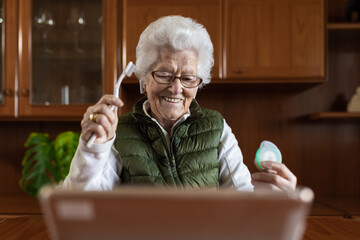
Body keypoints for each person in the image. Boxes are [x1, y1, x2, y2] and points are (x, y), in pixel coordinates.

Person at [63, 15, 296, 192]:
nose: (176, 88)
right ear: (144, 80)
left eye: (187, 78)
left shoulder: (216, 127)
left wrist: (277, 197)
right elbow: (83, 200)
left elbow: (243, 200)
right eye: (164, 74)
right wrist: (92, 148)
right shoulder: (119, 131)